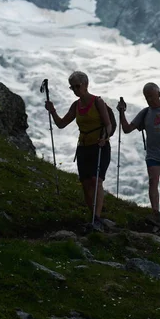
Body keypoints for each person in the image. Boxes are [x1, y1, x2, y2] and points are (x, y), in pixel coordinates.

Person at [45, 71, 112, 230]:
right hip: (83, 147)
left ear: (85, 84)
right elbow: (61, 124)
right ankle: (93, 217)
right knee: (85, 183)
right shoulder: (76, 106)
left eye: (77, 86)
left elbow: (108, 124)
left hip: (99, 145)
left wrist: (105, 137)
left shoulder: (98, 102)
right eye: (72, 87)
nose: (75, 90)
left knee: (96, 180)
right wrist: (53, 111)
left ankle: (96, 217)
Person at [117, 82, 160, 230]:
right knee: (152, 181)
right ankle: (156, 214)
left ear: (159, 94)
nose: (149, 99)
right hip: (154, 155)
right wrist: (121, 112)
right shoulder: (145, 113)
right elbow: (127, 129)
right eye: (146, 96)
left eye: (151, 96)